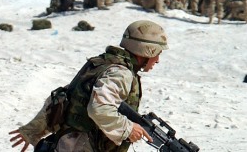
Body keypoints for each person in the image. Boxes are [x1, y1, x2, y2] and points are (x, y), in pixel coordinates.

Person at [9, 20, 169, 152]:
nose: (158, 60)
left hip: (72, 143)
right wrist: (128, 129)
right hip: (83, 145)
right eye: (158, 53)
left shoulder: (103, 64)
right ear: (148, 50)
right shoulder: (120, 73)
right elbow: (99, 108)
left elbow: (64, 98)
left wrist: (34, 129)